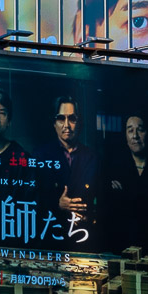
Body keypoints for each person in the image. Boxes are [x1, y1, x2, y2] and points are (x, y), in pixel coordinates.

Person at [105, 114, 148, 268]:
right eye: (130, 130)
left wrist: (128, 194)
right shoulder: (115, 168)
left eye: (140, 130)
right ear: (125, 136)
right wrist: (147, 195)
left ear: (147, 133)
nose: (135, 136)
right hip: (122, 247)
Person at [33, 95, 100, 247]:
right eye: (61, 118)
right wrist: (58, 204)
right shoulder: (40, 155)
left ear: (79, 122)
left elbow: (100, 199)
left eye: (72, 118)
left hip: (84, 236)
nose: (67, 125)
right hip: (50, 236)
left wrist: (90, 215)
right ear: (54, 123)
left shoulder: (92, 157)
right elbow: (32, 200)